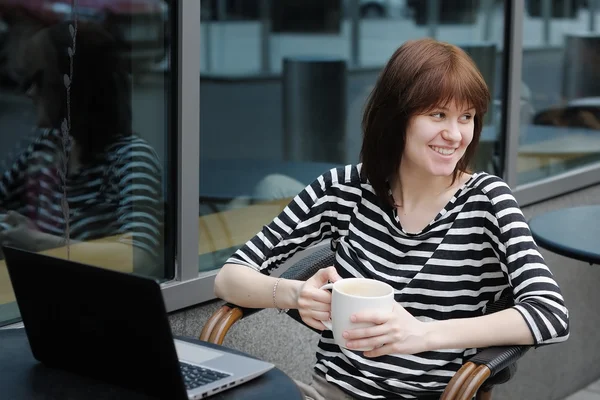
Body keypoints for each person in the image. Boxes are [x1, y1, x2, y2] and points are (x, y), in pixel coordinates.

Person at [214, 38, 570, 399]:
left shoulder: (487, 200)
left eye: (467, 117)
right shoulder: (345, 189)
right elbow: (229, 278)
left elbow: (550, 313)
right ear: (397, 116)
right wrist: (294, 294)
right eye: (437, 115)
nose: (455, 134)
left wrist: (422, 333)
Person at [0, 21, 163, 275]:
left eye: (40, 79)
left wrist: (34, 241)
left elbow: (139, 257)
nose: (30, 92)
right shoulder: (47, 147)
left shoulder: (129, 158)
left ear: (73, 86)